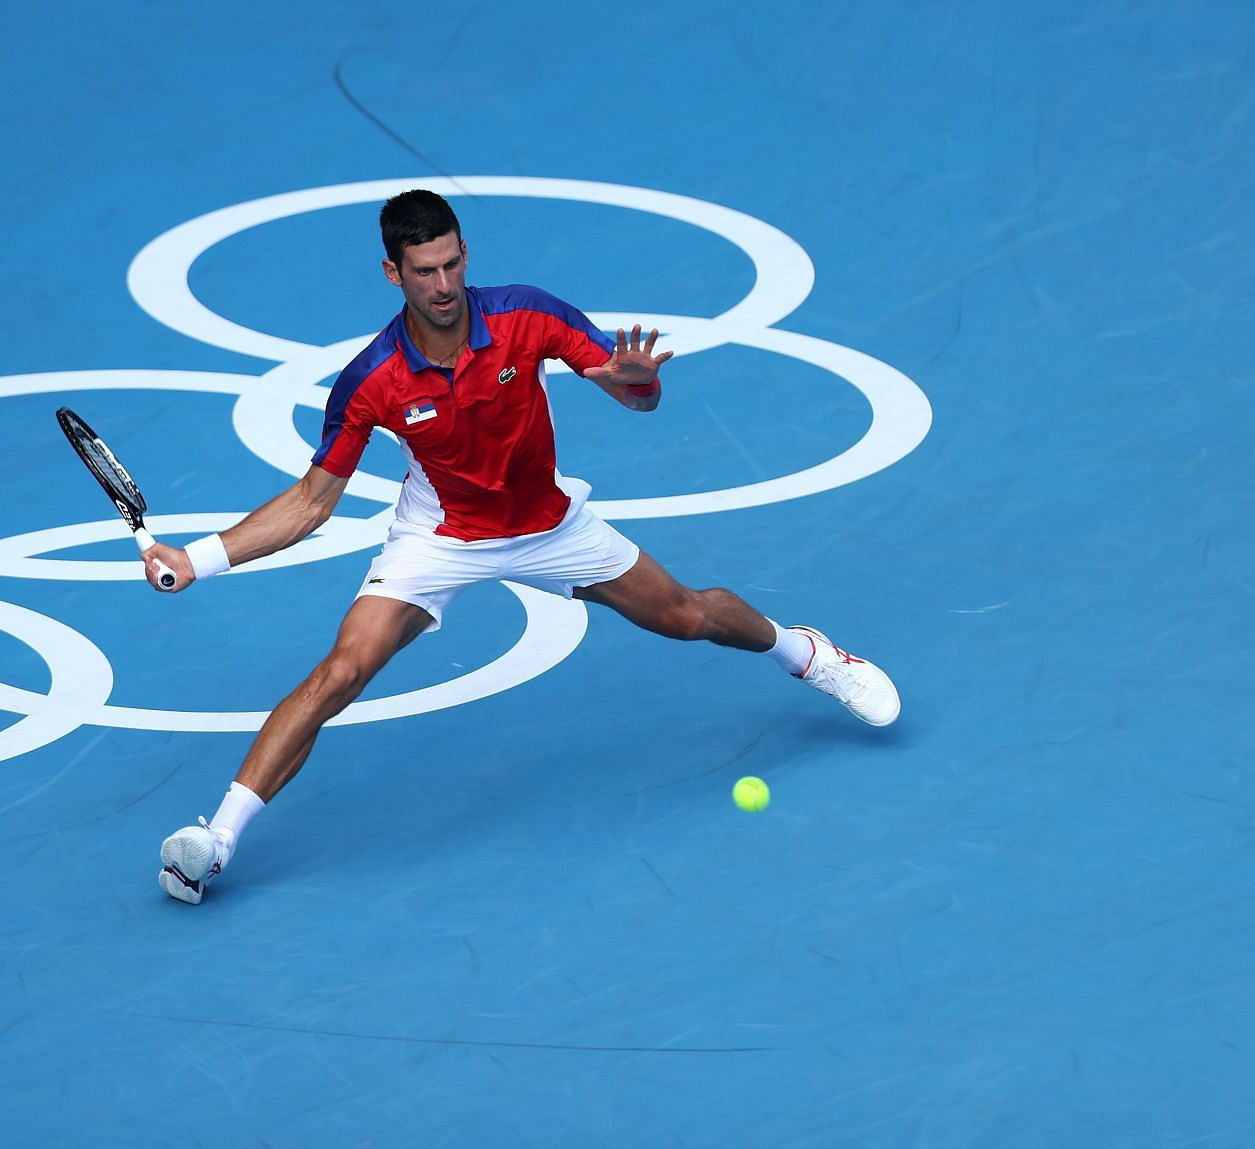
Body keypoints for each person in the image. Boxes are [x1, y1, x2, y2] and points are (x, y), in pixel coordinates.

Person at [139, 189, 898, 905]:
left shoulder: (527, 316)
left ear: (465, 252)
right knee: (341, 671)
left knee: (685, 616)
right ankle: (215, 840)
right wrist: (198, 558)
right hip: (442, 539)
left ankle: (810, 655)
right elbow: (310, 503)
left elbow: (630, 389)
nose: (444, 284)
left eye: (452, 263)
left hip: (549, 525)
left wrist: (641, 385)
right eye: (424, 271)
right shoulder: (372, 378)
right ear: (392, 273)